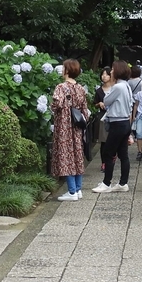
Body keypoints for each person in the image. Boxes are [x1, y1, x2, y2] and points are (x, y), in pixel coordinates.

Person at [50, 59, 89, 200]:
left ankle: (72, 191)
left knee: (66, 156)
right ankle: (78, 190)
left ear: (67, 70)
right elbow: (85, 111)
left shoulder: (61, 87)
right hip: (77, 127)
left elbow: (56, 104)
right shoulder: (81, 88)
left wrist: (54, 107)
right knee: (77, 156)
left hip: (64, 127)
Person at [92, 60, 133, 194]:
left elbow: (106, 101)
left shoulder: (117, 87)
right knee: (123, 154)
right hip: (125, 122)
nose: (111, 72)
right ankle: (123, 183)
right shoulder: (126, 85)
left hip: (117, 123)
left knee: (108, 153)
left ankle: (106, 183)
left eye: (113, 70)